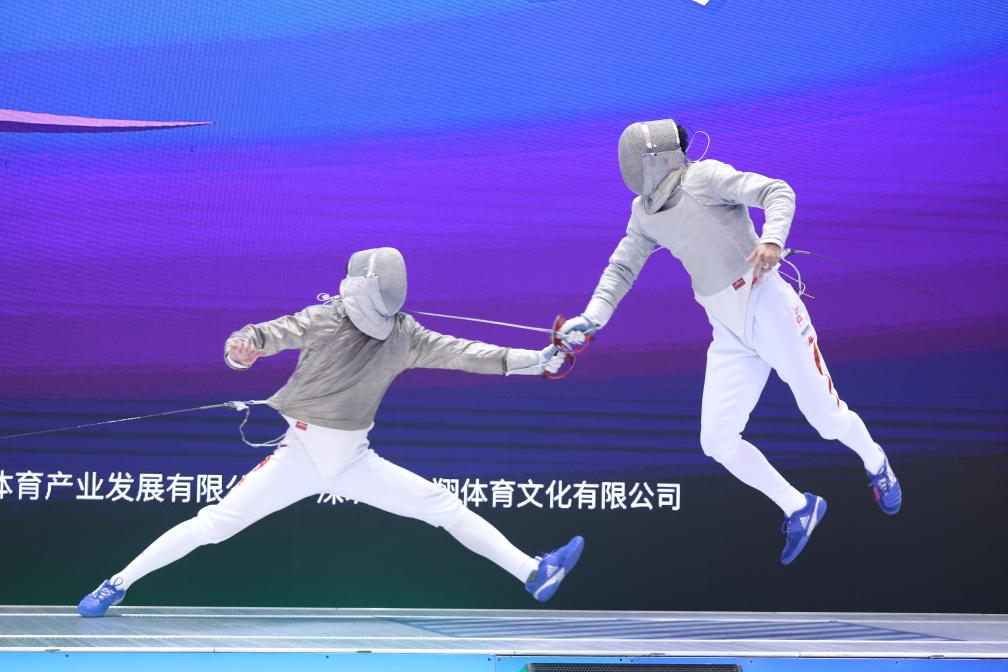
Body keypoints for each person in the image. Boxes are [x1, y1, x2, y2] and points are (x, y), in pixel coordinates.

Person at [78, 247, 584, 616]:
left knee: (444, 509)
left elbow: (468, 353)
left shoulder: (405, 334)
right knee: (212, 525)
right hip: (300, 455)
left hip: (351, 460)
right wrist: (240, 350)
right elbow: (263, 335)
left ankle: (533, 573)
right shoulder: (325, 318)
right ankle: (117, 583)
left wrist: (539, 360)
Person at [559, 120, 901, 565]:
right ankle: (799, 506)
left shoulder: (705, 176)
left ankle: (876, 462)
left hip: (768, 307)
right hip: (728, 329)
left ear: (658, 158)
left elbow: (777, 191)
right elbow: (621, 268)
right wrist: (592, 317)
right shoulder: (643, 213)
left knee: (826, 420)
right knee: (717, 440)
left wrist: (772, 240)